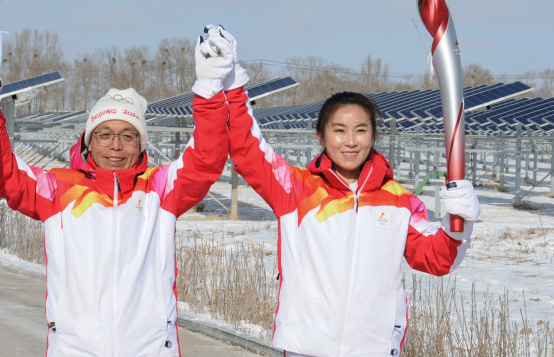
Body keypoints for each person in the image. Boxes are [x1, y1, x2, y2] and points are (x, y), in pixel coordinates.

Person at [204, 25, 480, 357]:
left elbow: (437, 260)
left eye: (361, 130)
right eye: (339, 130)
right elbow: (247, 149)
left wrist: (459, 224)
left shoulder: (400, 201)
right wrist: (232, 83)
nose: (350, 141)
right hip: (305, 348)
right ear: (321, 136)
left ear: (373, 135)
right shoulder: (296, 189)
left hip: (373, 350)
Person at [0, 32, 235, 356]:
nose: (115, 145)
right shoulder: (59, 189)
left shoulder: (159, 190)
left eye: (128, 136)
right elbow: (4, 176)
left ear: (141, 144)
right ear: (88, 141)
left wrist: (210, 94)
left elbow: (206, 159)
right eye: (104, 134)